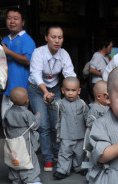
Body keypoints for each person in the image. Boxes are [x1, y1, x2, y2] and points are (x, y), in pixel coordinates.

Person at [28, 25, 76, 172]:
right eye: (53, 37)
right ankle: (48, 158)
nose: (57, 40)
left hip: (54, 88)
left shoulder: (64, 54)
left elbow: (70, 74)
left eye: (60, 37)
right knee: (43, 124)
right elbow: (35, 74)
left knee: (56, 122)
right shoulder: (38, 52)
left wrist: (74, 91)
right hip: (36, 89)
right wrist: (44, 92)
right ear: (46, 38)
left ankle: (58, 154)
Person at [46, 77, 89, 179]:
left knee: (80, 154)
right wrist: (49, 100)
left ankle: (80, 167)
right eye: (67, 90)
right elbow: (52, 106)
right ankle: (62, 170)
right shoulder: (60, 103)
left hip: (80, 134)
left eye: (73, 90)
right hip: (66, 134)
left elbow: (87, 114)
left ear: (78, 91)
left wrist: (89, 121)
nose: (70, 93)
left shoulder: (82, 104)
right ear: (62, 90)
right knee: (65, 152)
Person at [2, 87, 43, 184]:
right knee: (29, 158)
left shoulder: (7, 112)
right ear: (27, 100)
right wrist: (37, 116)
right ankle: (31, 179)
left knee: (14, 158)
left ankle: (16, 179)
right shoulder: (26, 113)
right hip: (25, 141)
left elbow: (4, 125)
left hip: (13, 141)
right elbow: (34, 126)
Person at [1, 8, 36, 119]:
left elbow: (28, 60)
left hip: (21, 89)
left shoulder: (27, 40)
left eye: (16, 18)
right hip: (7, 88)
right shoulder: (5, 40)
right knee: (5, 120)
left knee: (19, 123)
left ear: (23, 22)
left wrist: (8, 52)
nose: (12, 21)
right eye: (9, 18)